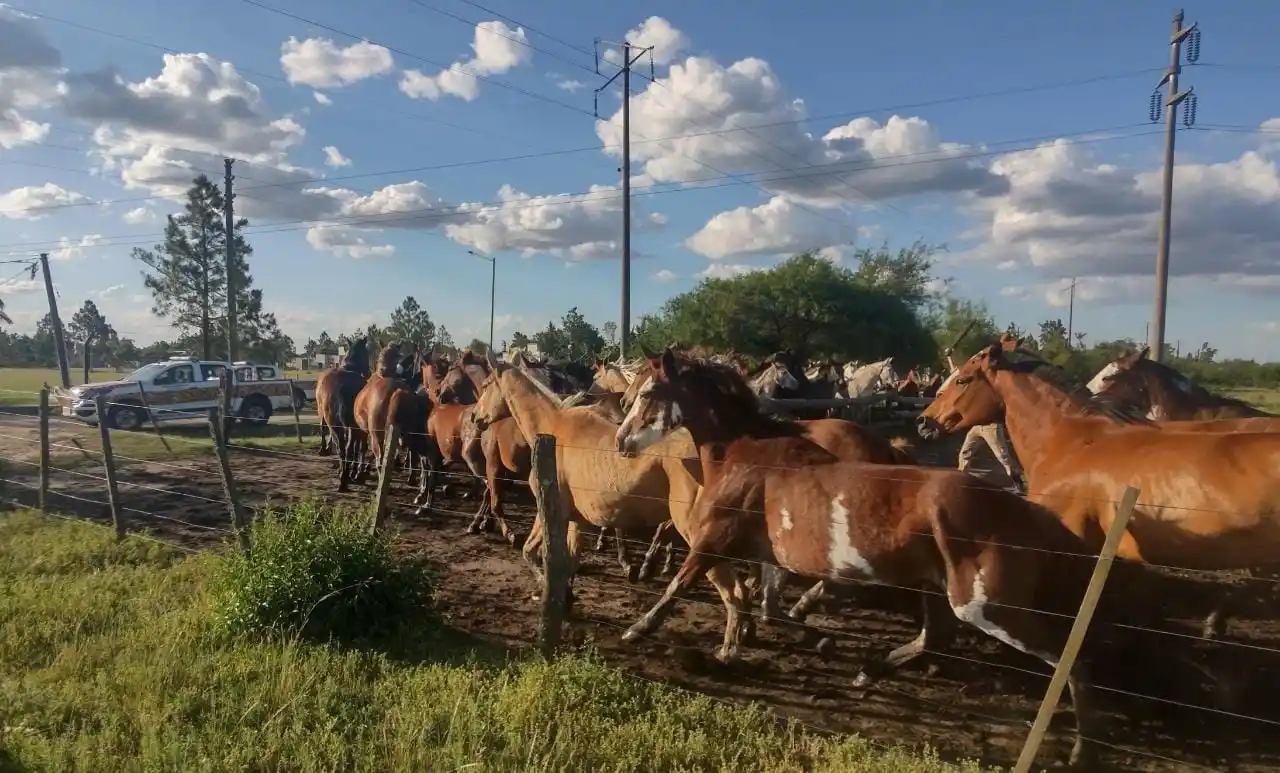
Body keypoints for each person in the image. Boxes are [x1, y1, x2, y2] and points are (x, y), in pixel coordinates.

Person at [948, 332, 1028, 496]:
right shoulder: (985, 366)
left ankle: (1019, 483)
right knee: (966, 452)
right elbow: (960, 375)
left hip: (990, 424)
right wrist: (950, 359)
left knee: (1003, 456)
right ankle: (961, 481)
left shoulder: (996, 370)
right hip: (977, 423)